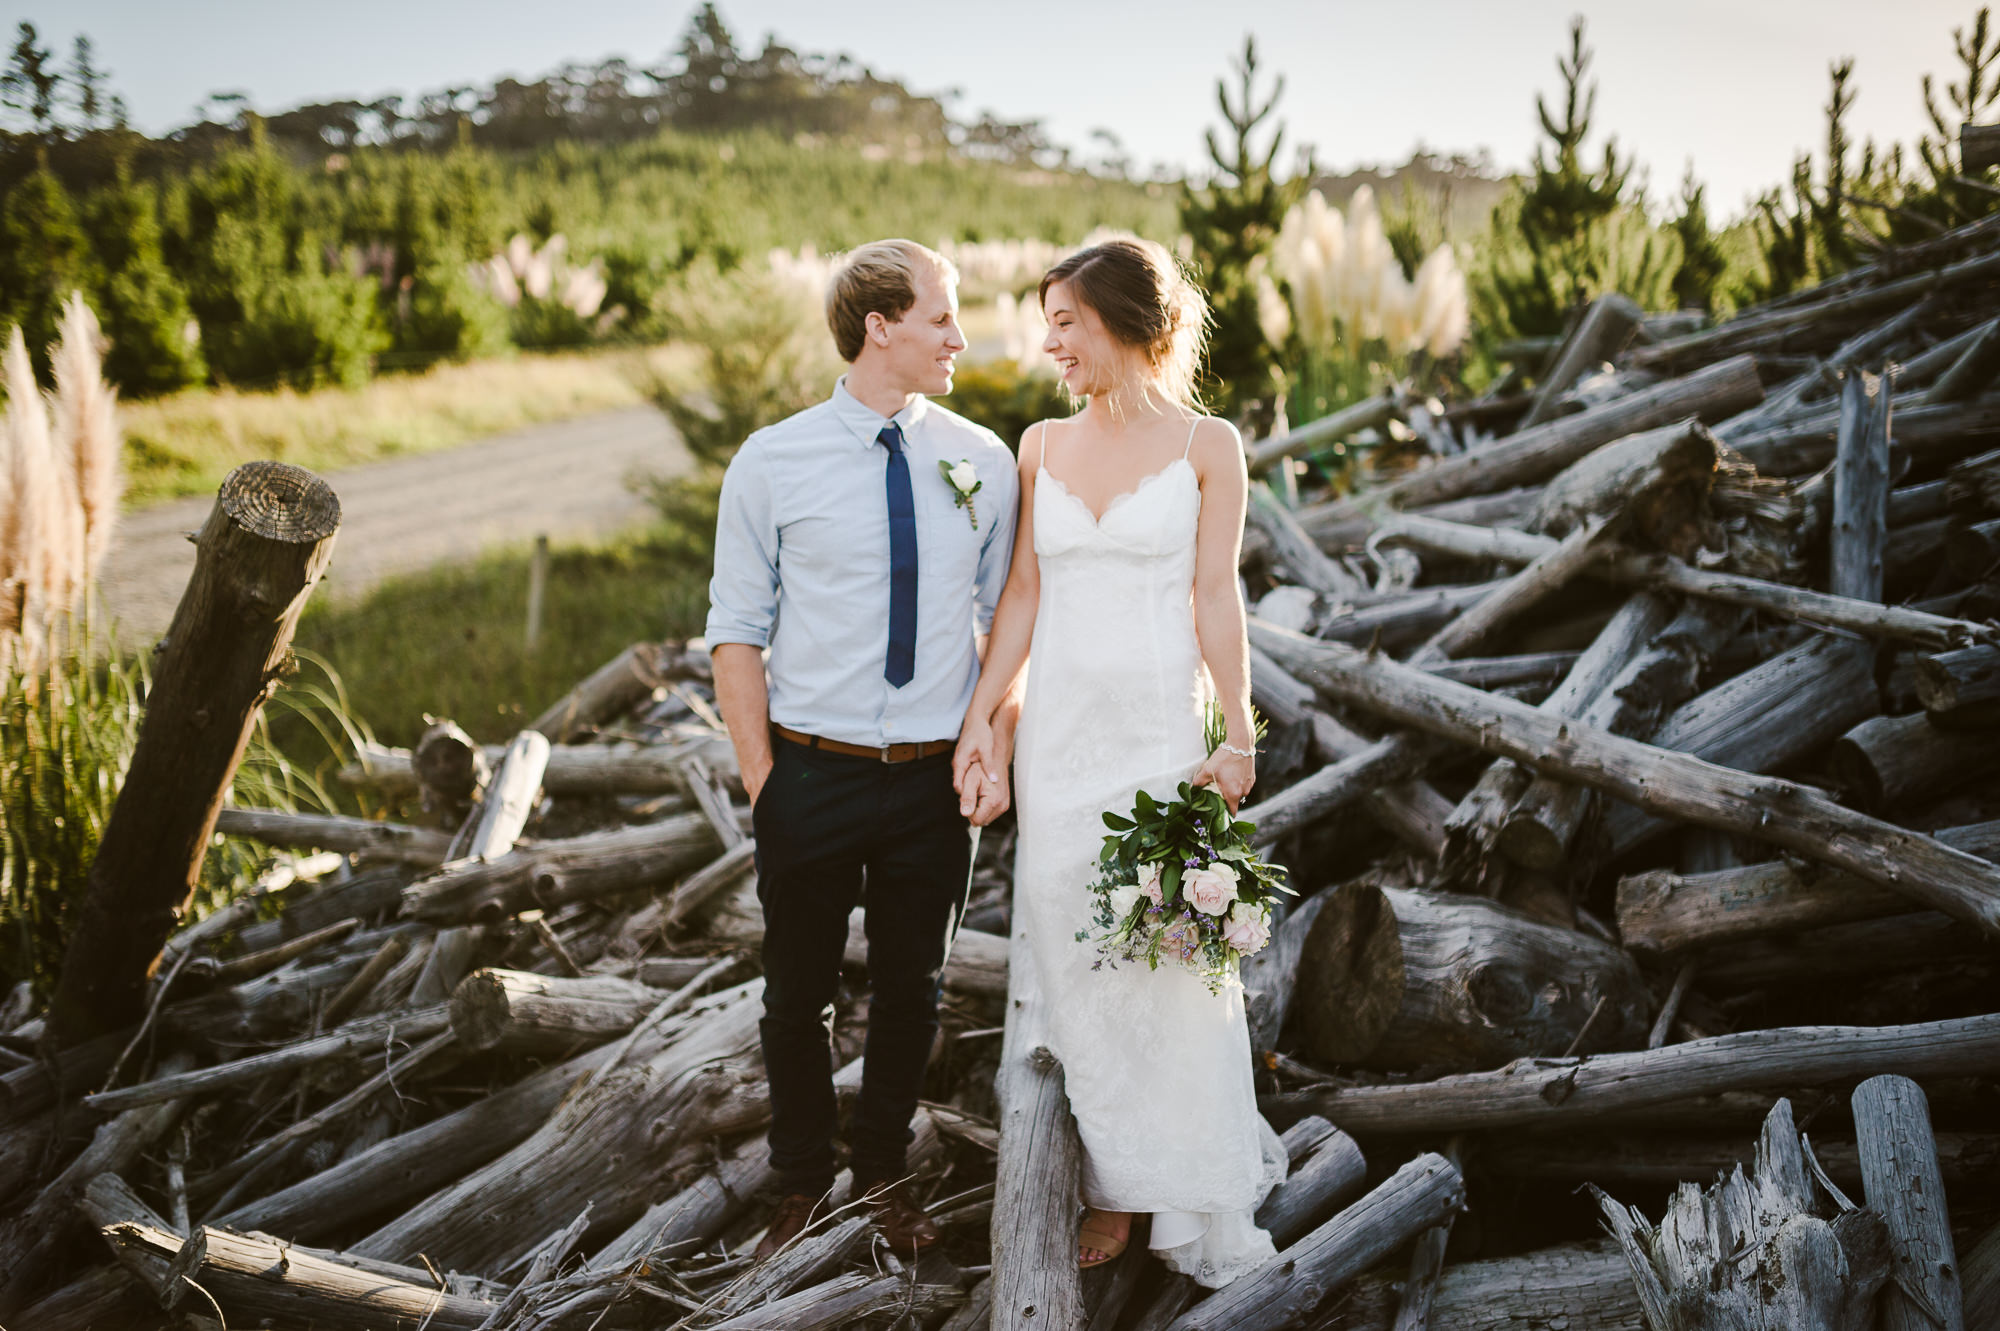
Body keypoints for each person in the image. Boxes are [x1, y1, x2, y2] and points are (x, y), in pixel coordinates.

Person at [953, 237, 1285, 1286]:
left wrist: (1235, 731)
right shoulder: (1039, 446)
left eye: (1065, 321)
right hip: (1059, 740)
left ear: (1126, 325)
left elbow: (1213, 596)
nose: (1049, 342)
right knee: (1066, 944)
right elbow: (1018, 598)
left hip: (1154, 738)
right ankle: (1101, 1170)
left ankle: (1166, 1183)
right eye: (1045, 320)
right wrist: (982, 720)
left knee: (1158, 953)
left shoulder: (1208, 443)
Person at [705, 238, 1019, 1259]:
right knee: (795, 996)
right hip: (809, 772)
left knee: (912, 991)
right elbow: (734, 631)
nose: (958, 339)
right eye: (941, 318)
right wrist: (767, 783)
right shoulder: (770, 460)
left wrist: (991, 742)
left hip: (932, 781)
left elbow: (1002, 625)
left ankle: (879, 1170)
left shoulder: (983, 459)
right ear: (877, 326)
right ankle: (799, 1178)